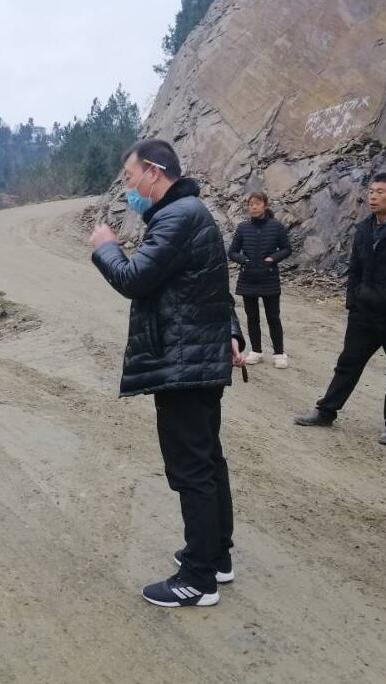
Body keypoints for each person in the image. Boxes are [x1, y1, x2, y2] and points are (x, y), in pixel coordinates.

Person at [90, 139, 246, 608]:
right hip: (194, 358)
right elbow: (210, 284)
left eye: (130, 177)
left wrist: (106, 248)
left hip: (183, 364)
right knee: (207, 460)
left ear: (154, 171)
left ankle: (198, 579)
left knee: (191, 468)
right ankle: (215, 556)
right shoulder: (190, 213)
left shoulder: (178, 216)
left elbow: (134, 279)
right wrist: (230, 330)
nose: (128, 188)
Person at [294, 173, 386, 445]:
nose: (373, 197)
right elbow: (355, 269)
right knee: (348, 363)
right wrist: (353, 300)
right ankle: (326, 411)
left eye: (380, 192)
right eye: (371, 191)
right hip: (364, 313)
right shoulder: (363, 229)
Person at [228, 192, 291, 369]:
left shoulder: (276, 226)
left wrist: (272, 258)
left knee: (273, 317)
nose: (253, 207)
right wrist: (244, 260)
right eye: (250, 204)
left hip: (269, 277)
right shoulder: (243, 228)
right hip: (248, 278)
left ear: (265, 205)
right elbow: (232, 252)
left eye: (257, 203)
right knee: (252, 317)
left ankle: (279, 354)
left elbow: (287, 249)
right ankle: (256, 351)